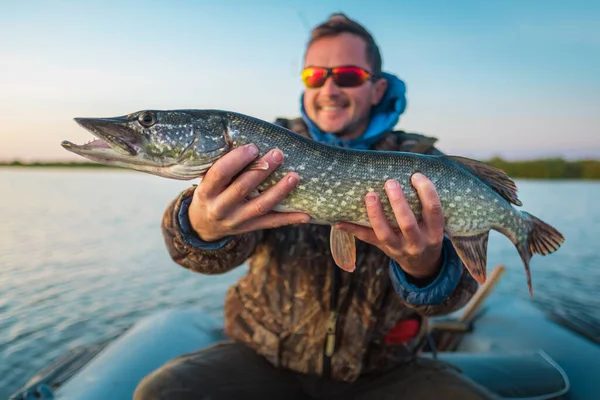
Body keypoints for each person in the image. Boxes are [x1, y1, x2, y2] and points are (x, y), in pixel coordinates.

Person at [134, 13, 499, 400]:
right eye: (314, 76)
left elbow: (451, 300)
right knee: (161, 392)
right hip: (265, 360)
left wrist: (424, 267)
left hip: (386, 371)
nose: (329, 88)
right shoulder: (260, 150)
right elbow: (202, 258)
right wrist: (202, 226)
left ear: (377, 89)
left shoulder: (426, 164)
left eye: (347, 76)